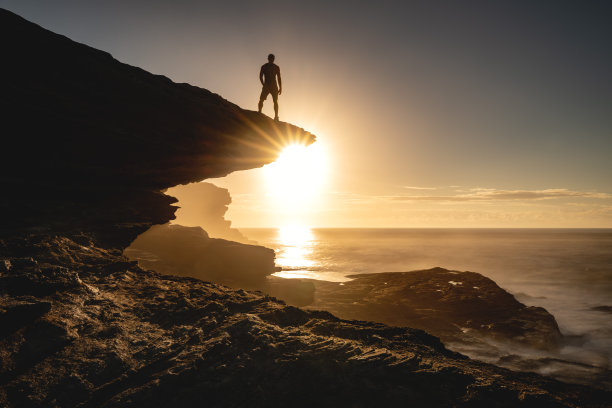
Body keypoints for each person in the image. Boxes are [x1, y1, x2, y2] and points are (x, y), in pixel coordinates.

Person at [258, 53, 282, 121]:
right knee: (262, 99)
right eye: (271, 58)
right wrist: (263, 84)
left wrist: (280, 87)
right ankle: (259, 111)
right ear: (268, 59)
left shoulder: (276, 67)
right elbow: (260, 76)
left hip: (273, 86)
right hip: (268, 85)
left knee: (275, 101)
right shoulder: (264, 66)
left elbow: (279, 78)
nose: (271, 59)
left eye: (272, 58)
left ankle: (276, 116)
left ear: (273, 59)